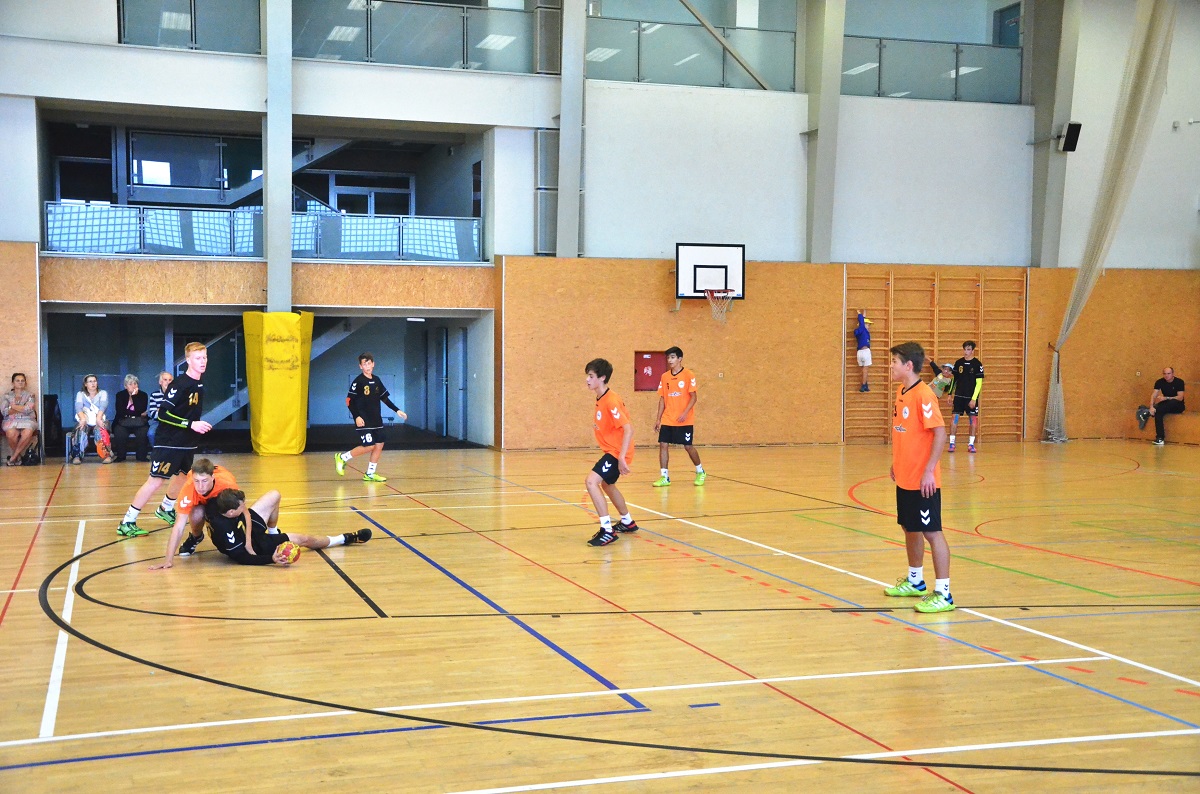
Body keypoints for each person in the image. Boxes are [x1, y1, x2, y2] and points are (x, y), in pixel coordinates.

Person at [883, 341, 954, 613]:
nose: (890, 367)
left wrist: (928, 471)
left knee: (932, 532)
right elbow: (907, 433)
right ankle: (915, 582)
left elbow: (939, 433)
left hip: (924, 482)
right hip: (905, 477)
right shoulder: (902, 391)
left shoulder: (924, 395)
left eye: (894, 362)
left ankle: (944, 593)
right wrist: (897, 462)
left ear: (908, 365)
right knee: (909, 527)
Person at [116, 342, 211, 537]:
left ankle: (166, 507)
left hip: (187, 441)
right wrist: (190, 424)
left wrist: (195, 426)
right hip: (169, 440)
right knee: (156, 481)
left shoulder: (199, 383)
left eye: (204, 357)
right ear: (188, 360)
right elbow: (162, 414)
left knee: (184, 476)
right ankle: (127, 521)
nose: (202, 362)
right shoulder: (180, 384)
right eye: (198, 358)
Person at [151, 488, 371, 569]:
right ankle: (345, 538)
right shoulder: (227, 537)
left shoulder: (219, 502)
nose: (244, 508)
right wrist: (271, 560)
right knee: (304, 539)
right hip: (256, 545)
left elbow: (244, 511)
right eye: (239, 508)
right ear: (229, 514)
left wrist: (247, 530)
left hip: (246, 532)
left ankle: (274, 531)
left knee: (274, 494)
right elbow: (243, 559)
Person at [584, 358, 638, 547]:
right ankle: (627, 522)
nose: (587, 380)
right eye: (587, 376)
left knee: (591, 482)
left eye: (591, 376)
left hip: (616, 452)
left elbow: (628, 429)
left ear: (602, 377)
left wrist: (622, 457)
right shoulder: (601, 398)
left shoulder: (611, 400)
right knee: (607, 485)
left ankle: (607, 530)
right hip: (612, 450)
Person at [333, 352, 407, 483]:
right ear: (360, 366)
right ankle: (342, 457)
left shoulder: (377, 380)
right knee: (369, 445)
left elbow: (384, 398)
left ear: (373, 364)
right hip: (363, 420)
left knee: (379, 445)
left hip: (376, 419)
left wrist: (397, 410)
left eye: (369, 363)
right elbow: (349, 401)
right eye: (364, 364)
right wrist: (356, 416)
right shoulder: (358, 381)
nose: (367, 366)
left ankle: (370, 474)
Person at [153, 458, 239, 566]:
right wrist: (168, 560)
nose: (200, 487)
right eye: (196, 481)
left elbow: (241, 510)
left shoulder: (227, 485)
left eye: (204, 481)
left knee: (229, 515)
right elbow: (178, 527)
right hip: (200, 503)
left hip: (219, 500)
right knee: (197, 513)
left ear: (212, 477)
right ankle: (195, 537)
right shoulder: (188, 490)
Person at [652, 346, 705, 487]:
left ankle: (700, 471)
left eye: (673, 357)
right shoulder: (665, 377)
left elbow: (694, 397)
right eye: (668, 357)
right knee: (663, 444)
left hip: (684, 419)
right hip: (668, 418)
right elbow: (662, 398)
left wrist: (685, 413)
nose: (670, 360)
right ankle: (664, 477)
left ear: (680, 359)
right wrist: (658, 419)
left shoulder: (688, 375)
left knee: (688, 446)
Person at [944, 341, 983, 453]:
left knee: (973, 420)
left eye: (968, 349)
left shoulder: (977, 365)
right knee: (954, 419)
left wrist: (974, 398)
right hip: (959, 397)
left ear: (973, 351)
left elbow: (979, 383)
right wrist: (950, 394)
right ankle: (952, 443)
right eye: (964, 349)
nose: (966, 352)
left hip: (971, 397)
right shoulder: (958, 363)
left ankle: (971, 444)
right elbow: (954, 380)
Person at [71, 374, 111, 465]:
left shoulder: (103, 393)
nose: (93, 383)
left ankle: (105, 455)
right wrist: (83, 419)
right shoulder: (80, 394)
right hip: (85, 419)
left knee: (100, 430)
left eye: (94, 381)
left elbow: (103, 406)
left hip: (100, 418)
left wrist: (98, 419)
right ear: (85, 384)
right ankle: (77, 455)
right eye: (90, 381)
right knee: (81, 429)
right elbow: (78, 408)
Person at [111, 374, 150, 463]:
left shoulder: (143, 395)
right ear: (125, 386)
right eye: (130, 384)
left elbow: (141, 410)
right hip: (123, 421)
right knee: (119, 433)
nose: (133, 386)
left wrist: (134, 396)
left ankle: (141, 456)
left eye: (135, 384)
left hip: (139, 421)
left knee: (143, 433)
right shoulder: (120, 395)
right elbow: (120, 411)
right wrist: (134, 412)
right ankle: (121, 456)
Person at [2, 372, 39, 466]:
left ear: (25, 383)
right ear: (13, 383)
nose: (20, 382)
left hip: (28, 420)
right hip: (10, 420)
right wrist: (22, 408)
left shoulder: (30, 395)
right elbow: (5, 412)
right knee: (11, 433)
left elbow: (28, 409)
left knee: (27, 432)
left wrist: (13, 406)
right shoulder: (7, 396)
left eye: (22, 381)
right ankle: (18, 457)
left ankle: (14, 457)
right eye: (17, 381)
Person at [1147, 367, 1185, 445]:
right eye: (1164, 374)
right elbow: (1154, 395)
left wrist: (1166, 398)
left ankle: (1149, 412)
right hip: (1166, 404)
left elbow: (1180, 397)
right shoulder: (1159, 382)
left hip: (1177, 405)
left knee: (1171, 402)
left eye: (1168, 373)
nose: (1166, 376)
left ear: (1173, 374)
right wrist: (1151, 406)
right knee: (1158, 411)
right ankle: (1160, 438)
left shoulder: (1179, 382)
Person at [146, 370, 173, 448]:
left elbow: (178, 412)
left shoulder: (177, 395)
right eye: (165, 380)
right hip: (157, 422)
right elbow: (153, 414)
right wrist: (167, 412)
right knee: (151, 434)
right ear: (160, 382)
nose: (168, 382)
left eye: (170, 380)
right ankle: (157, 454)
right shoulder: (154, 395)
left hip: (173, 422)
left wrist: (160, 410)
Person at [853, 309, 873, 392]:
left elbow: (862, 324)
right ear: (863, 325)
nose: (869, 326)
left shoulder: (859, 331)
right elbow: (862, 323)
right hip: (865, 352)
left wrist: (864, 315)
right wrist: (859, 314)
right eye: (868, 324)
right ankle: (864, 385)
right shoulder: (863, 329)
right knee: (865, 369)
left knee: (863, 370)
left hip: (859, 353)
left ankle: (865, 383)